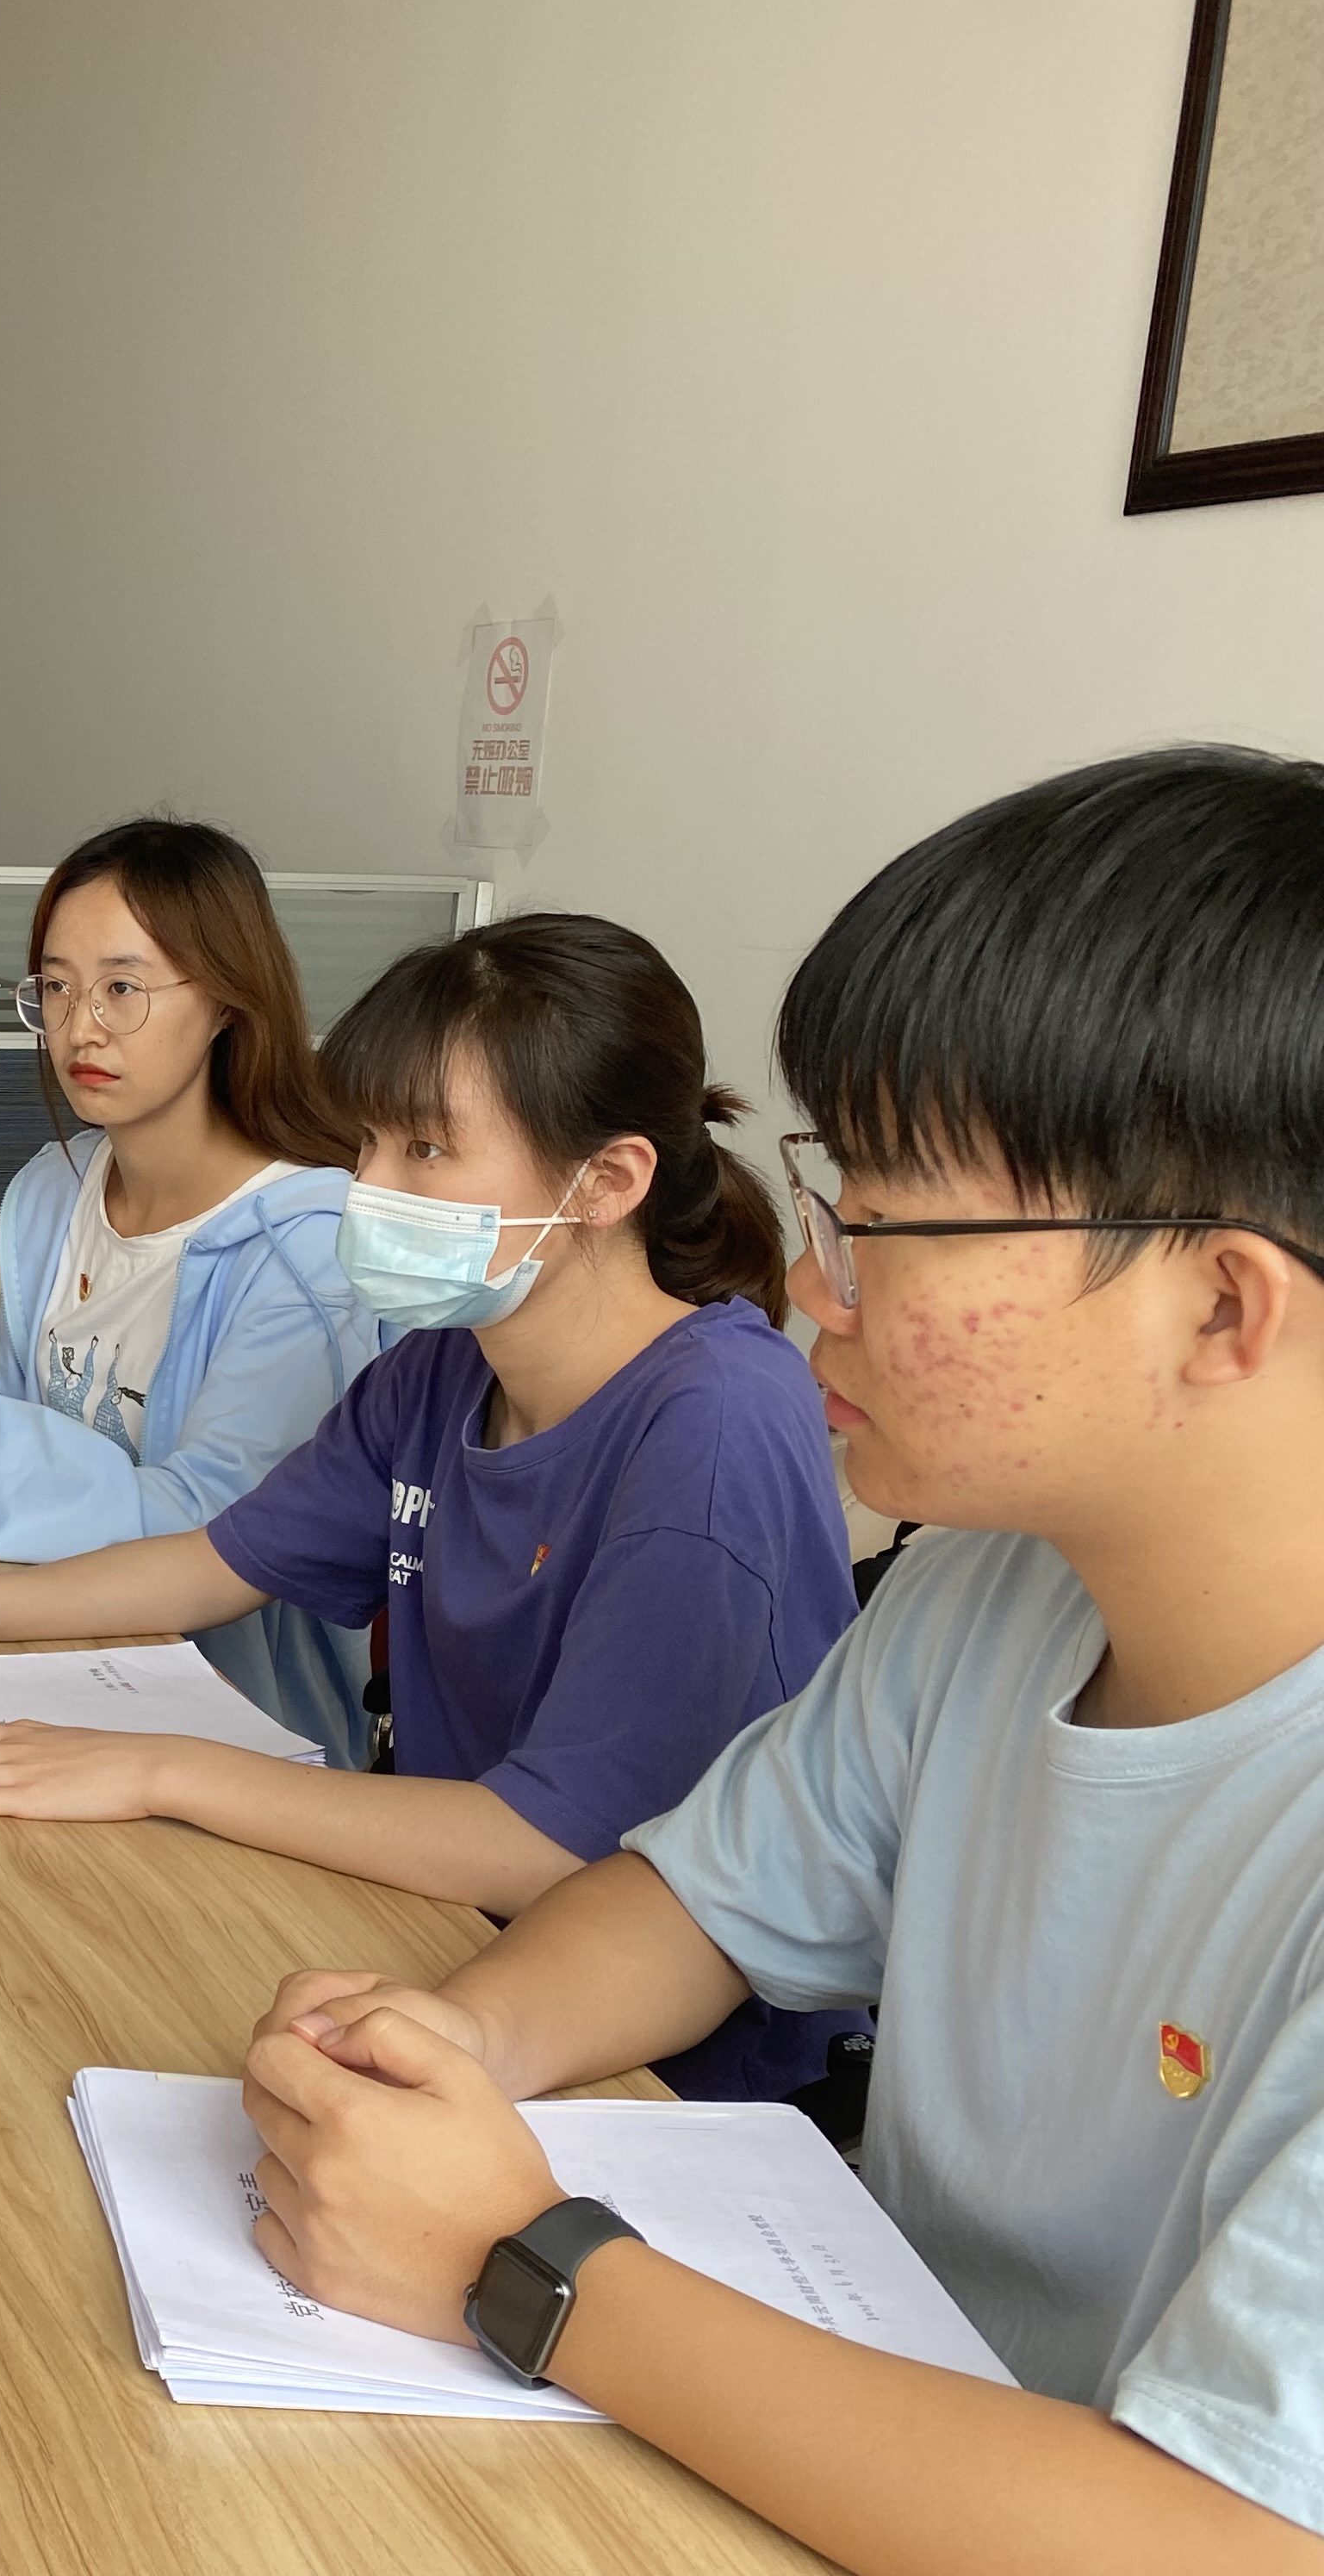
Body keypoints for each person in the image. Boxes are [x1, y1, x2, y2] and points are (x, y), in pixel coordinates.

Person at [233, 750, 1324, 2572]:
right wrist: (465, 2039)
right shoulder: (991, 1591)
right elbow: (703, 1899)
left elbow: (1228, 2542)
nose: (818, 1285)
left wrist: (525, 2267)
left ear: (1220, 1302)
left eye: (883, 1224)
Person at [0, 912, 859, 2102]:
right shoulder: (443, 1368)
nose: (368, 1189)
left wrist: (157, 1772)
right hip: (438, 1937)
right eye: (370, 1142)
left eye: (425, 1150)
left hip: (664, 2073)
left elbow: (550, 1846)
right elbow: (219, 1560)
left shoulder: (716, 1421)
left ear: (606, 1183)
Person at [0, 818, 382, 1761]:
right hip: (47, 1653)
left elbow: (207, 1531)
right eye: (56, 987)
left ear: (227, 1001)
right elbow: (41, 1432)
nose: (80, 1026)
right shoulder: (56, 1189)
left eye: (123, 988)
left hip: (232, 1723)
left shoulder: (308, 1247)